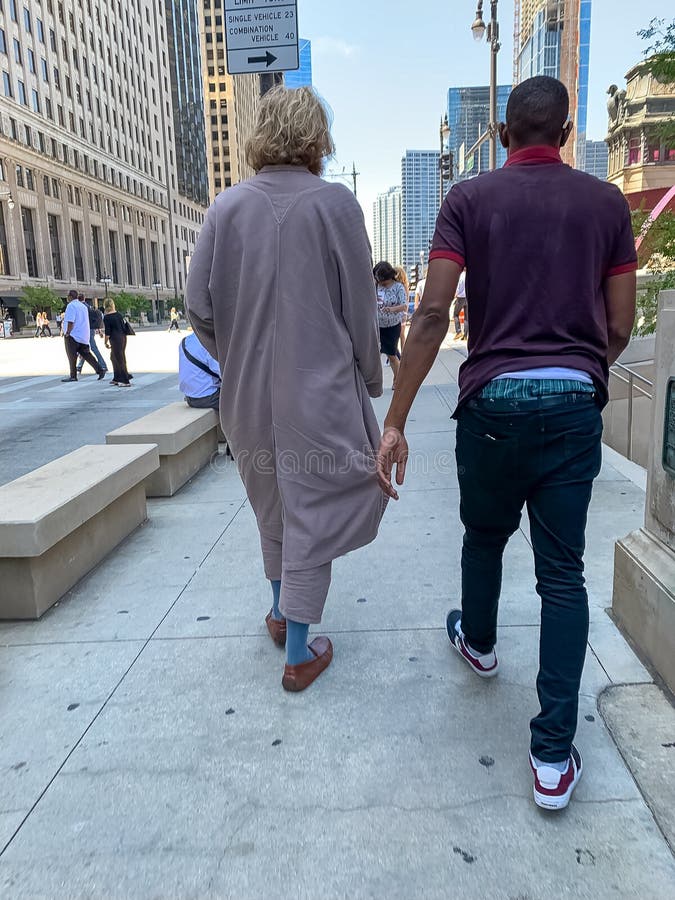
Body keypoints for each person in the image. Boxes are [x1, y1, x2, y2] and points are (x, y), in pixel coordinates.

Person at [376, 76, 637, 811]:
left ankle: (480, 642)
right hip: (570, 406)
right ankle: (552, 756)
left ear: (499, 134)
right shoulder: (605, 204)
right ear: (563, 131)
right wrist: (577, 371)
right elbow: (617, 325)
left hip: (489, 400)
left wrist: (394, 420)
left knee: (483, 535)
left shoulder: (467, 200)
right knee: (562, 575)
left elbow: (430, 314)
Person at [187, 85, 386, 692]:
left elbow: (199, 308)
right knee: (316, 507)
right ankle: (299, 651)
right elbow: (360, 306)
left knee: (274, 505)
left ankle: (281, 614)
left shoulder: (225, 208)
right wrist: (371, 377)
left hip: (245, 397)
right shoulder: (335, 205)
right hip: (319, 391)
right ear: (314, 136)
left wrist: (240, 357)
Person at [374, 261, 408, 388]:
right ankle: (375, 382)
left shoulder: (398, 287)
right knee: (375, 355)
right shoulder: (376, 286)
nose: (382, 283)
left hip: (392, 326)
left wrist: (391, 309)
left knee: (391, 355)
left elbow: (404, 306)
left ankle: (397, 381)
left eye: (384, 281)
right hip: (377, 326)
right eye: (379, 280)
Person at [61, 289, 106, 382]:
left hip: (73, 335)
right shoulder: (83, 306)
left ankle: (73, 375)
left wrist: (67, 333)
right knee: (87, 355)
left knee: (72, 356)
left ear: (70, 297)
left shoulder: (71, 306)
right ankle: (100, 370)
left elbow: (70, 321)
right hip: (83, 335)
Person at [178, 331, 221, 410]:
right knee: (244, 400)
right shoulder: (207, 343)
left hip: (190, 397)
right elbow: (223, 372)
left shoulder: (185, 341)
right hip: (208, 397)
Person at [76, 296, 108, 375]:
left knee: (91, 348)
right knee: (85, 349)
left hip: (85, 330)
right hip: (91, 329)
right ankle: (79, 366)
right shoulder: (89, 307)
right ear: (84, 299)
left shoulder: (81, 308)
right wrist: (98, 330)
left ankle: (103, 365)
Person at [103, 299, 131, 386]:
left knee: (119, 359)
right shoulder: (119, 315)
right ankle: (117, 377)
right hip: (123, 337)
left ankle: (125, 380)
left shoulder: (107, 317)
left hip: (115, 339)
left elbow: (107, 332)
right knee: (114, 357)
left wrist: (105, 342)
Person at [394, 265, 411, 351]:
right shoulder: (405, 286)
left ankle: (395, 353)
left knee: (395, 335)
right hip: (403, 313)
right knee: (402, 335)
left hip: (396, 313)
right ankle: (402, 354)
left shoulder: (395, 286)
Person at [452, 270, 467, 341]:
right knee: (467, 317)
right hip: (468, 297)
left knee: (455, 314)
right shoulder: (468, 275)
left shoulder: (460, 276)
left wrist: (455, 295)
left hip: (460, 298)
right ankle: (465, 335)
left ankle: (458, 332)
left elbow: (458, 288)